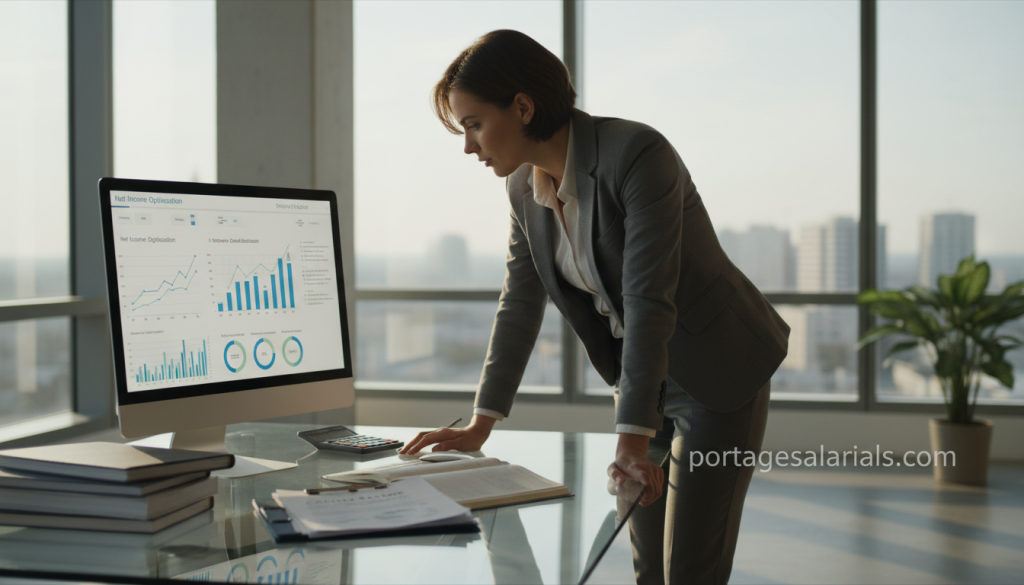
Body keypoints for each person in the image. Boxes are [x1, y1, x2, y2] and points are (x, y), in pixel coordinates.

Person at [399, 29, 790, 585]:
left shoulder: (637, 154)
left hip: (718, 368)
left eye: (474, 124)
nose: (469, 146)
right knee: (646, 564)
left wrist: (631, 439)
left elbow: (648, 299)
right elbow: (519, 302)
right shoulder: (522, 189)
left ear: (523, 107)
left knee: (689, 570)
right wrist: (481, 424)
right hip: (643, 379)